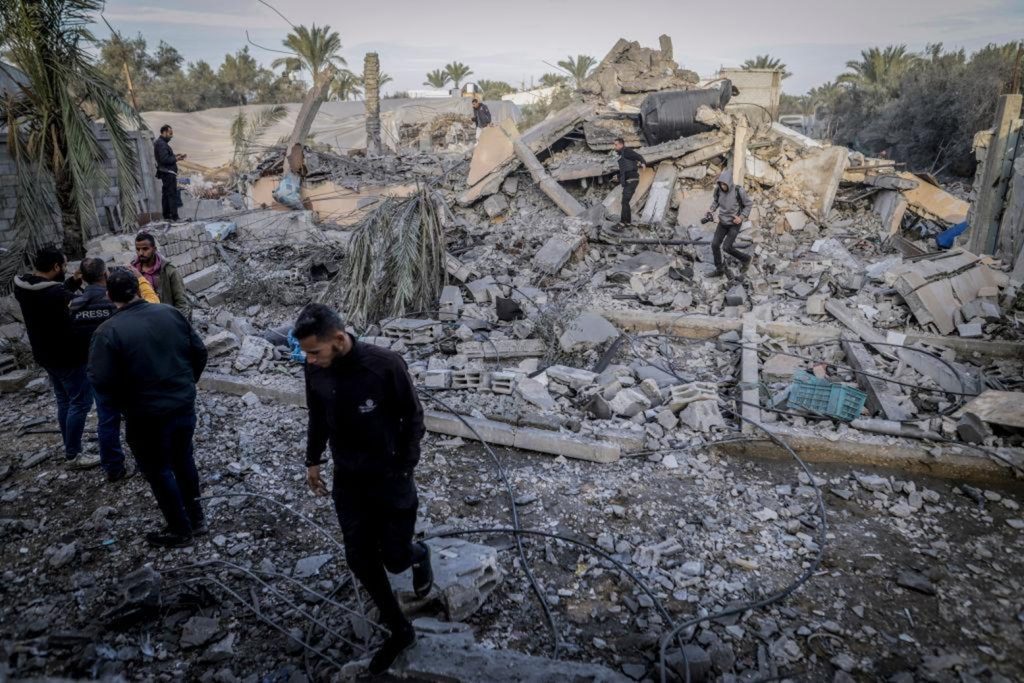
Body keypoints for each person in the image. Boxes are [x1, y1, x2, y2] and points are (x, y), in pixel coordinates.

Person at [296, 304, 432, 675]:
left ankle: (418, 554)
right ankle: (399, 629)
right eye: (306, 354)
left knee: (395, 559)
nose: (309, 360)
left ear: (339, 339)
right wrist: (313, 460)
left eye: (314, 352)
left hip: (390, 478)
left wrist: (404, 468)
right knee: (360, 558)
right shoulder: (314, 368)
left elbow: (414, 418)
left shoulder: (384, 365)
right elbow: (317, 415)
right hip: (349, 480)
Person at [88, 270, 208, 548]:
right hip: (181, 405)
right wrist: (187, 384)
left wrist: (124, 405)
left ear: (109, 295)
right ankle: (197, 518)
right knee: (183, 459)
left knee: (158, 469)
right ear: (138, 289)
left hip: (144, 415)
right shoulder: (169, 313)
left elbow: (100, 380)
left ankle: (180, 529)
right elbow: (199, 352)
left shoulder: (107, 332)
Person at [69, 260, 159, 482]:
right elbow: (148, 308)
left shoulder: (74, 305)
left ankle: (113, 467)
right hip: (126, 370)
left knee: (106, 420)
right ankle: (146, 463)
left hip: (98, 371)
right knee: (137, 419)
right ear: (105, 275)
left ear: (83, 277)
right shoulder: (113, 301)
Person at [13, 246, 99, 469]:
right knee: (80, 402)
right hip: (68, 357)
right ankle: (74, 455)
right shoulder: (55, 294)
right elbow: (80, 302)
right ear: (55, 267)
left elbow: (53, 293)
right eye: (64, 265)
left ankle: (70, 445)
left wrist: (72, 281)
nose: (66, 269)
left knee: (64, 401)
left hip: (46, 355)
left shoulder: (23, 285)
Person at [704, 169, 753, 277]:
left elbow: (748, 205)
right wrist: (711, 209)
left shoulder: (738, 191)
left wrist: (741, 217)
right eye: (721, 184)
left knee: (727, 247)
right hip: (722, 222)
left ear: (729, 182)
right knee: (715, 244)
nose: (723, 186)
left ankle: (746, 259)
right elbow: (716, 201)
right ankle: (719, 269)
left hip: (734, 223)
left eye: (724, 184)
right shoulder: (718, 190)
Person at [132, 231, 189, 316]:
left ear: (154, 249)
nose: (141, 253)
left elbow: (182, 302)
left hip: (167, 317)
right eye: (138, 249)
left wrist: (176, 320)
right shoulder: (132, 272)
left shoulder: (169, 270)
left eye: (145, 249)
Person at [154, 124, 185, 221]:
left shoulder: (162, 143)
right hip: (168, 173)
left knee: (167, 194)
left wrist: (176, 156)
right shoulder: (161, 144)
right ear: (164, 132)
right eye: (170, 133)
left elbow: (166, 157)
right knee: (171, 194)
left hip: (167, 172)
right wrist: (176, 159)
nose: (171, 136)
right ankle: (174, 217)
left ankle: (167, 216)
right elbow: (164, 159)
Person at [614, 137, 646, 227]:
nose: (614, 147)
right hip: (629, 180)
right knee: (625, 201)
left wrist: (643, 162)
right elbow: (625, 170)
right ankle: (627, 222)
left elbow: (638, 156)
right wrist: (618, 177)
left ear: (621, 144)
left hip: (632, 180)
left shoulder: (627, 151)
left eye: (616, 145)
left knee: (624, 201)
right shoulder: (622, 155)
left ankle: (622, 222)